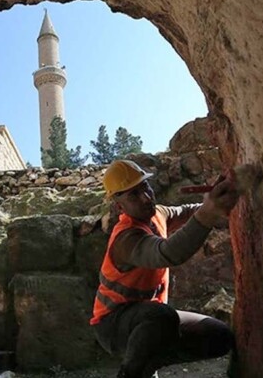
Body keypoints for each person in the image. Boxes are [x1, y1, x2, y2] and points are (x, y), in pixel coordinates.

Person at [90, 160, 240, 378]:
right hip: (113, 325)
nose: (146, 198)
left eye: (146, 188)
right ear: (118, 205)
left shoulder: (157, 214)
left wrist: (216, 200)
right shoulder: (126, 238)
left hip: (147, 319)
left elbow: (187, 212)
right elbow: (168, 253)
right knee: (162, 317)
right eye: (133, 195)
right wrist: (209, 214)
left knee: (219, 337)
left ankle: (148, 364)